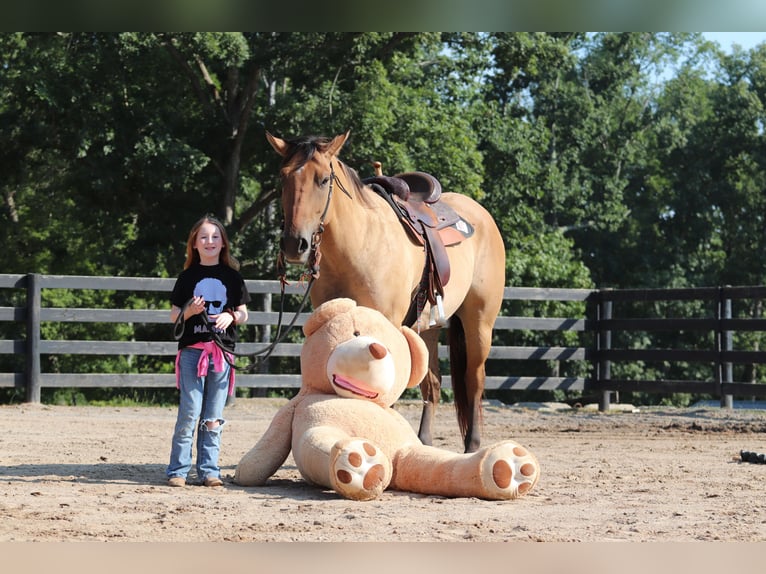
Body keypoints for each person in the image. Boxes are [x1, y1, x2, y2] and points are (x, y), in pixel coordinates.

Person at [166, 215, 250, 487]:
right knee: (190, 410)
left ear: (223, 243)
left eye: (215, 236)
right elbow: (174, 314)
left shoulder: (233, 278)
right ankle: (178, 470)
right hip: (192, 352)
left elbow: (243, 312)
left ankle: (209, 470)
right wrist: (189, 312)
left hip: (222, 352)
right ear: (194, 244)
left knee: (213, 414)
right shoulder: (187, 277)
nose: (209, 241)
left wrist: (232, 318)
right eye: (204, 237)